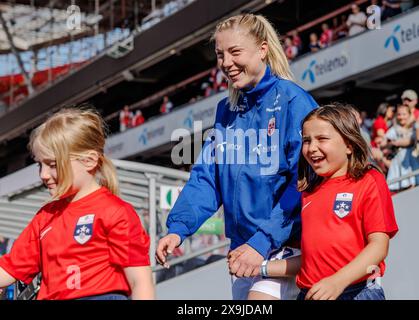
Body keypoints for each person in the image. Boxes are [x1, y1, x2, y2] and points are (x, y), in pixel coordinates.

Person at [156, 13, 318, 300]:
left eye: (235, 52)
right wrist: (178, 229)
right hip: (243, 251)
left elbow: (304, 180)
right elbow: (207, 177)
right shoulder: (226, 110)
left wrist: (263, 241)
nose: (226, 63)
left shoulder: (294, 101)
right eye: (220, 55)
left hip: (286, 245)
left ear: (263, 49)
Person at [233, 104, 398, 300]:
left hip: (358, 292)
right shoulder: (308, 191)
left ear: (349, 144)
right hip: (310, 294)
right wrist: (260, 267)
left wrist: (337, 281)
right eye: (306, 140)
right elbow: (310, 261)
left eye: (322, 139)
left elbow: (379, 246)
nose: (312, 148)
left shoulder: (369, 180)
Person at [0, 108, 155, 300]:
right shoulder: (45, 217)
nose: (43, 175)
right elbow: (9, 268)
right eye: (40, 164)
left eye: (53, 164)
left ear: (89, 161)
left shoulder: (115, 212)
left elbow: (140, 281)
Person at [385, 105, 419, 193]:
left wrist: (396, 142)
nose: (401, 117)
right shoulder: (394, 129)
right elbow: (385, 143)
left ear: (409, 115)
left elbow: (410, 141)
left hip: (412, 162)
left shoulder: (414, 128)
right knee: (401, 188)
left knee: (414, 186)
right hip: (398, 163)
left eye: (404, 114)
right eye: (399, 114)